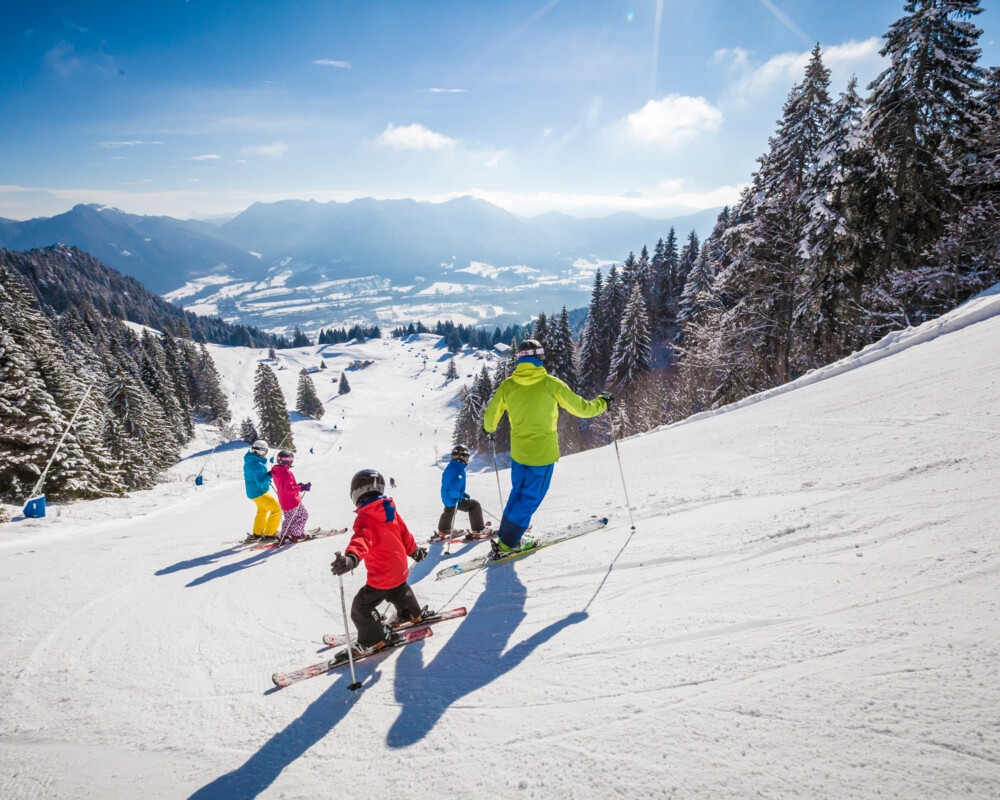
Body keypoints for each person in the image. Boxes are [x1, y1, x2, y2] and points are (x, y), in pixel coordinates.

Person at [482, 338, 611, 556]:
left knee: (518, 494)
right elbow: (582, 409)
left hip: (519, 453)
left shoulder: (508, 386)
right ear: (540, 358)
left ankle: (507, 535)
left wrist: (490, 429)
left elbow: (490, 417)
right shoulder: (551, 384)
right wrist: (603, 402)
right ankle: (508, 544)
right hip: (541, 455)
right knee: (530, 498)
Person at [330, 469, 428, 655]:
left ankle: (373, 640)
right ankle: (411, 614)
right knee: (399, 588)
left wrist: (351, 559)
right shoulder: (390, 510)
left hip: (381, 575)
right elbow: (405, 535)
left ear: (356, 493)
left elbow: (361, 540)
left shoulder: (365, 517)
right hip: (399, 570)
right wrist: (415, 552)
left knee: (361, 607)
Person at [437, 444, 485, 537]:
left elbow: (449, 483)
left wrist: (462, 494)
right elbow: (454, 488)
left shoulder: (451, 466)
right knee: (475, 505)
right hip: (453, 497)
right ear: (464, 458)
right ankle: (478, 529)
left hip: (446, 496)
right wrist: (458, 496)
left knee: (449, 510)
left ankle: (444, 529)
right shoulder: (459, 470)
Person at [270, 450, 312, 544]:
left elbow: (285, 485)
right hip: (292, 500)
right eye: (291, 459)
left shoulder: (276, 471)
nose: (291, 461)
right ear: (287, 461)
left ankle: (285, 535)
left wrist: (297, 485)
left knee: (290, 518)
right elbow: (289, 489)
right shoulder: (287, 473)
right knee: (303, 516)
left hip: (283, 500)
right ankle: (296, 534)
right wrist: (301, 488)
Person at [243, 440, 281, 541]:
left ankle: (258, 533)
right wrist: (269, 474)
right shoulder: (257, 465)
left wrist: (267, 476)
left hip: (253, 492)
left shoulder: (250, 461)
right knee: (277, 508)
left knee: (263, 510)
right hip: (259, 492)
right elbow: (260, 481)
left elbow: (256, 478)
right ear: (262, 451)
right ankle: (270, 533)